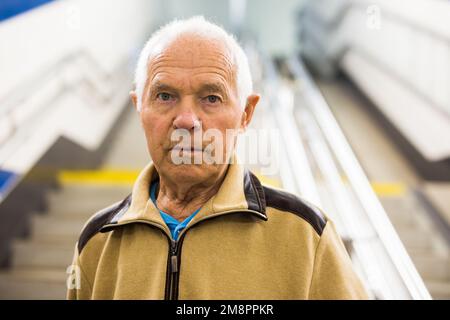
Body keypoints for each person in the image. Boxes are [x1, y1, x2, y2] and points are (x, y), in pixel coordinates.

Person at [67, 16, 368, 300]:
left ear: (246, 114)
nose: (186, 120)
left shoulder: (307, 237)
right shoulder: (97, 240)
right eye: (164, 96)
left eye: (211, 98)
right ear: (138, 107)